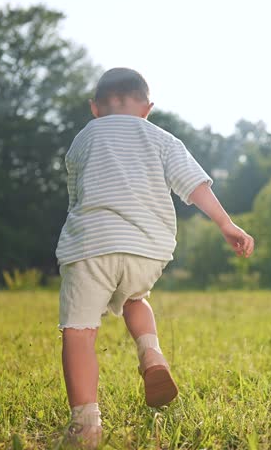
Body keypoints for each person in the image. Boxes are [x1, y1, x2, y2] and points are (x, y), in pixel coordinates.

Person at [55, 67, 254, 447]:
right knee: (134, 298)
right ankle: (152, 354)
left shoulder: (84, 138)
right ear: (146, 108)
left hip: (91, 245)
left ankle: (86, 425)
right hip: (148, 249)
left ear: (95, 108)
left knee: (79, 333)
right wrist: (228, 225)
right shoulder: (162, 138)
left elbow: (75, 198)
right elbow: (194, 185)